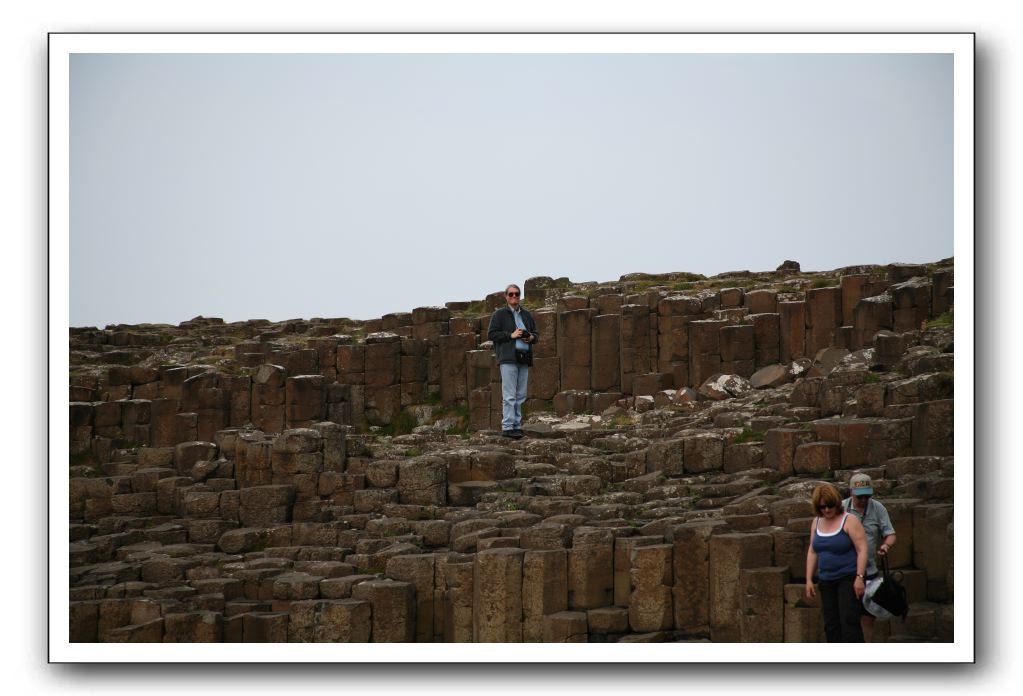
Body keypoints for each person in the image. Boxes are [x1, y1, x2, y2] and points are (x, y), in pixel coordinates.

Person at [805, 483, 869, 642]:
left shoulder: (849, 520)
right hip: (826, 579)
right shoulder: (816, 522)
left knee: (849, 621)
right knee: (831, 624)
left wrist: (860, 577)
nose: (827, 510)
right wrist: (808, 579)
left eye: (830, 505)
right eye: (822, 507)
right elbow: (813, 551)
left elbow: (862, 549)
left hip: (848, 577)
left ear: (837, 503)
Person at [843, 472, 897, 642]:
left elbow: (890, 534)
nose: (864, 500)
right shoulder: (841, 508)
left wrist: (886, 545)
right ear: (851, 492)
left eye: (867, 496)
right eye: (860, 497)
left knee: (868, 615)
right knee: (849, 617)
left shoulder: (878, 508)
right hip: (847, 570)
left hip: (870, 569)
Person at [487, 283, 539, 439]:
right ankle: (508, 426)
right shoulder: (499, 315)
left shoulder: (527, 315)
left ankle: (516, 425)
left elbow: (536, 334)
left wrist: (530, 337)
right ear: (506, 297)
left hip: (524, 358)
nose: (514, 296)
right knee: (509, 395)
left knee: (521, 395)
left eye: (517, 294)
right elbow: (492, 334)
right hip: (508, 358)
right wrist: (511, 335)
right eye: (511, 294)